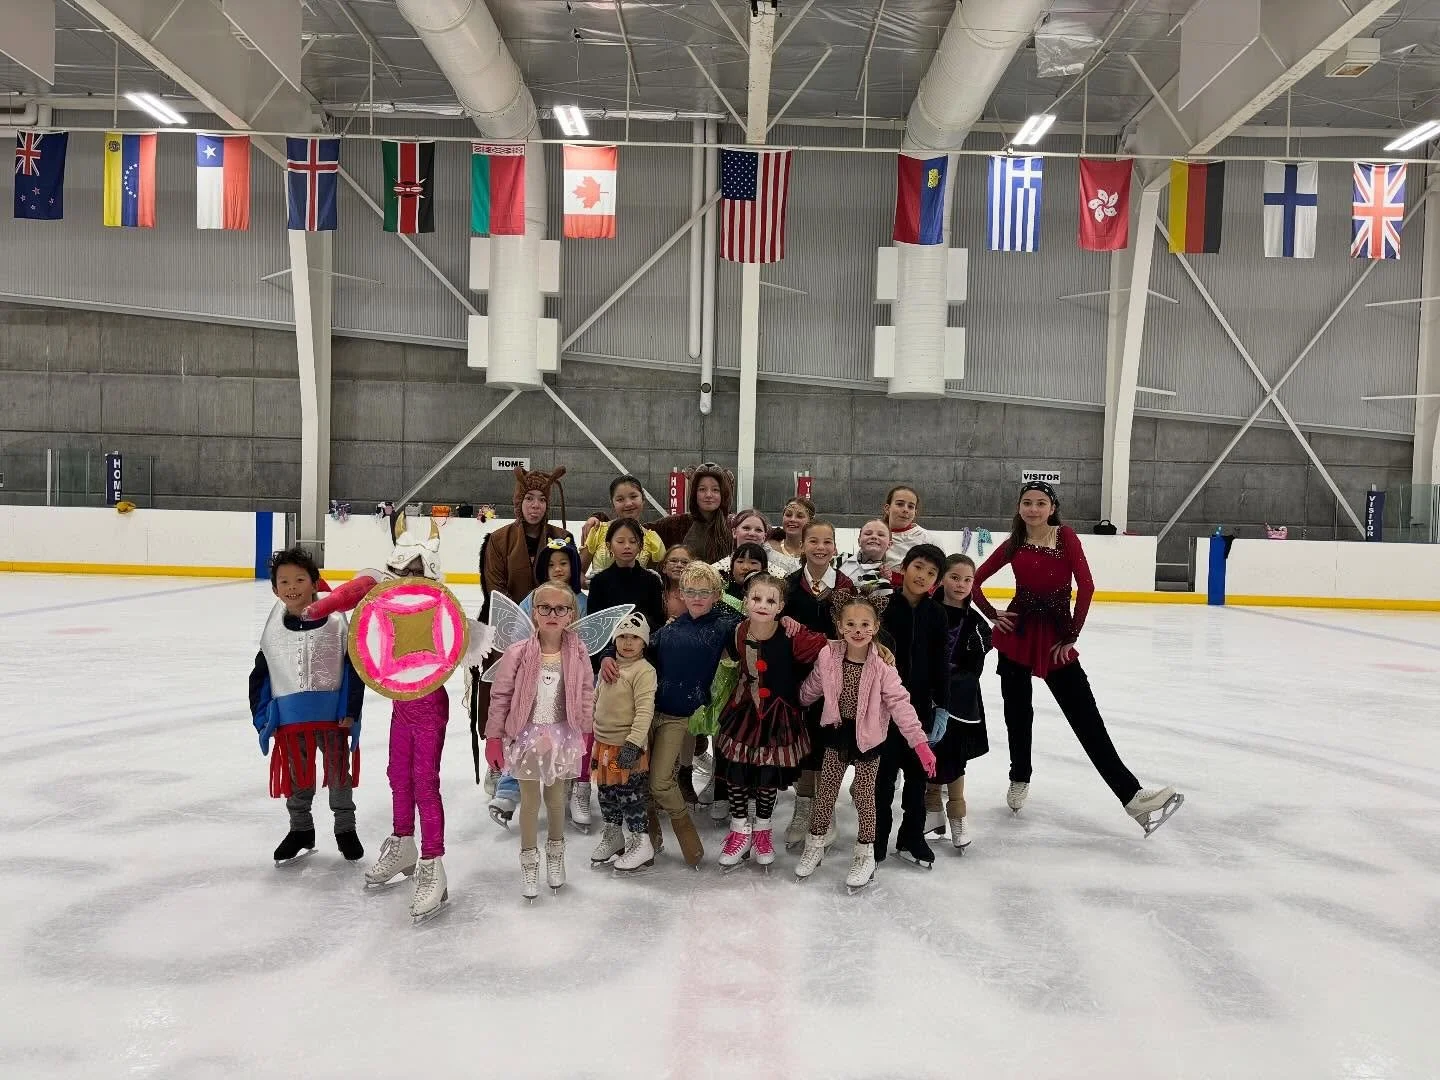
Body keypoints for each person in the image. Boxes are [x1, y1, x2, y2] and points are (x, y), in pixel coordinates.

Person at [971, 481, 1184, 835]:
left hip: (1055, 639)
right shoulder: (1013, 543)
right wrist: (992, 613)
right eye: (1027, 503)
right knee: (1017, 713)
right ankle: (1019, 775)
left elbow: (1086, 586)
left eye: (1041, 503)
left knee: (1086, 718)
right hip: (1018, 636)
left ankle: (1131, 796)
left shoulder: (1066, 536)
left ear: (1052, 507)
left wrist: (1071, 634)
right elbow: (976, 580)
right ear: (1019, 507)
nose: (1033, 509)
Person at [305, 514, 455, 921]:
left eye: (415, 570)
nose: (406, 577)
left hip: (428, 706)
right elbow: (357, 594)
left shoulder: (437, 608)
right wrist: (320, 605)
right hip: (401, 706)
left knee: (425, 782)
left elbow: (450, 648)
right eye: (401, 569)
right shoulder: (385, 598)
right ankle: (404, 841)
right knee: (396, 774)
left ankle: (433, 865)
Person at [601, 561, 739, 868]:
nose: (697, 598)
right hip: (647, 711)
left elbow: (755, 630)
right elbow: (633, 648)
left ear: (716, 594)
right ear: (681, 594)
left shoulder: (724, 625)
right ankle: (649, 843)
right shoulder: (670, 629)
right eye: (690, 592)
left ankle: (692, 846)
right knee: (642, 777)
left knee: (661, 781)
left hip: (679, 716)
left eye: (704, 592)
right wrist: (609, 654)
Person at [796, 592, 936, 890]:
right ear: (839, 627)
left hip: (869, 740)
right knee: (825, 794)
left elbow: (901, 704)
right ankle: (815, 843)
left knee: (864, 796)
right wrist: (797, 702)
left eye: (864, 624)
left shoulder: (883, 667)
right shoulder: (828, 655)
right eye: (850, 624)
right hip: (836, 734)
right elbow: (815, 685)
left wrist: (920, 743)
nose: (857, 630)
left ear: (875, 627)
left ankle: (865, 853)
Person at [249, 547, 365, 867]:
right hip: (291, 721)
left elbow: (354, 671)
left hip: (333, 719)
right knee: (299, 779)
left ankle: (345, 829)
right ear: (274, 589)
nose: (292, 586)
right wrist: (262, 719)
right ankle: (301, 829)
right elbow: (261, 676)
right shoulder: (273, 630)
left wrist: (351, 712)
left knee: (339, 774)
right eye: (283, 581)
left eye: (300, 579)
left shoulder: (337, 622)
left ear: (315, 583)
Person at [485, 582, 597, 899]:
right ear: (534, 613)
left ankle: (556, 857)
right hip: (527, 735)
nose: (552, 614)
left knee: (556, 799)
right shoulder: (518, 652)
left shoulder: (577, 651)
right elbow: (501, 695)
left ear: (570, 614)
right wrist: (494, 736)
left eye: (560, 608)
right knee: (530, 802)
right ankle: (529, 861)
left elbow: (586, 691)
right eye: (544, 607)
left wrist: (585, 729)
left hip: (563, 734)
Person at [471, 466, 572, 815]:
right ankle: (498, 756)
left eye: (542, 499)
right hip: (509, 627)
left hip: (555, 626)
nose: (536, 505)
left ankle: (556, 760)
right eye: (529, 498)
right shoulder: (499, 540)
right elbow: (495, 587)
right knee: (500, 690)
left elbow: (570, 577)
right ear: (518, 502)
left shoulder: (560, 535)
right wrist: (523, 624)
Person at [714, 574, 828, 872]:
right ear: (745, 601)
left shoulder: (792, 634)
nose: (762, 605)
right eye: (756, 599)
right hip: (743, 713)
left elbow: (830, 649)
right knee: (737, 774)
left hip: (778, 716)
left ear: (781, 607)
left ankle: (763, 831)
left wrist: (872, 646)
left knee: (767, 779)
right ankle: (739, 831)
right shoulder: (737, 631)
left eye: (770, 600)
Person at [780, 519, 854, 849]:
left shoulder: (845, 586)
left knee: (829, 745)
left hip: (834, 680)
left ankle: (827, 809)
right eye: (814, 541)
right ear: (803, 545)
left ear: (835, 547)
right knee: (804, 744)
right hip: (798, 678)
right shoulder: (789, 584)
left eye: (827, 541)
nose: (821, 547)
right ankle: (803, 805)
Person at [875, 543, 949, 868]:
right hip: (883, 711)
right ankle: (875, 840)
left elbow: (942, 663)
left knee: (918, 781)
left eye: (931, 572)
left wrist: (942, 707)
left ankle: (911, 839)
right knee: (883, 780)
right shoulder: (884, 607)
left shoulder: (937, 614)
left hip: (920, 710)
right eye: (918, 567)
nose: (923, 576)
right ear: (904, 567)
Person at [927, 554, 992, 851]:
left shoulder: (977, 624)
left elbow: (974, 668)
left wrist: (949, 681)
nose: (961, 584)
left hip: (961, 702)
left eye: (968, 579)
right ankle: (931, 814)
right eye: (955, 577)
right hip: (926, 698)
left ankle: (957, 814)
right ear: (941, 578)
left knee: (953, 759)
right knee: (927, 755)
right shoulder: (925, 612)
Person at [588, 612, 659, 873]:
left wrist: (632, 744)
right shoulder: (610, 667)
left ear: (644, 643)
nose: (628, 642)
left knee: (630, 796)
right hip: (603, 746)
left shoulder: (644, 671)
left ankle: (641, 843)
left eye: (634, 638)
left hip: (626, 747)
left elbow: (644, 712)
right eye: (622, 636)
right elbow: (596, 700)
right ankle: (613, 834)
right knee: (606, 794)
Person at [586, 518, 665, 648]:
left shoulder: (652, 581)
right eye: (620, 541)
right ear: (608, 545)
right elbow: (595, 626)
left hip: (644, 650)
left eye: (633, 541)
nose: (627, 546)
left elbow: (658, 623)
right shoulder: (599, 582)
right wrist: (606, 655)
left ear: (640, 546)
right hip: (609, 652)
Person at [579, 474, 666, 577]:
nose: (628, 503)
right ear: (612, 503)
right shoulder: (597, 531)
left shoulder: (653, 540)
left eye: (633, 496)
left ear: (643, 499)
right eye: (620, 499)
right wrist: (591, 584)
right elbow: (577, 572)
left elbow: (657, 579)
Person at [652, 463, 735, 564]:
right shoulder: (676, 524)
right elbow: (640, 532)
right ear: (694, 493)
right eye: (702, 489)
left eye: (715, 490)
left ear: (724, 494)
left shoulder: (735, 525)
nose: (708, 495)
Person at [881, 485, 937, 570]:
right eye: (900, 504)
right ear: (887, 508)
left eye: (910, 506)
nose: (905, 510)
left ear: (915, 512)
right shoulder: (875, 536)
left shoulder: (928, 539)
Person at [838, 518, 895, 597]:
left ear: (889, 544)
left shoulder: (883, 583)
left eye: (881, 535)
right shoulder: (841, 558)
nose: (874, 537)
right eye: (868, 533)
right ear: (859, 541)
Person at [768, 496, 815, 568]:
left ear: (811, 521)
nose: (792, 519)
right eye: (788, 515)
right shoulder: (768, 549)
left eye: (799, 516)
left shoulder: (817, 552)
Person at [659, 544, 693, 623]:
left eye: (685, 562)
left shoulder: (699, 596)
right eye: (673, 561)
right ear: (664, 568)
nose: (679, 565)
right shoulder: (658, 595)